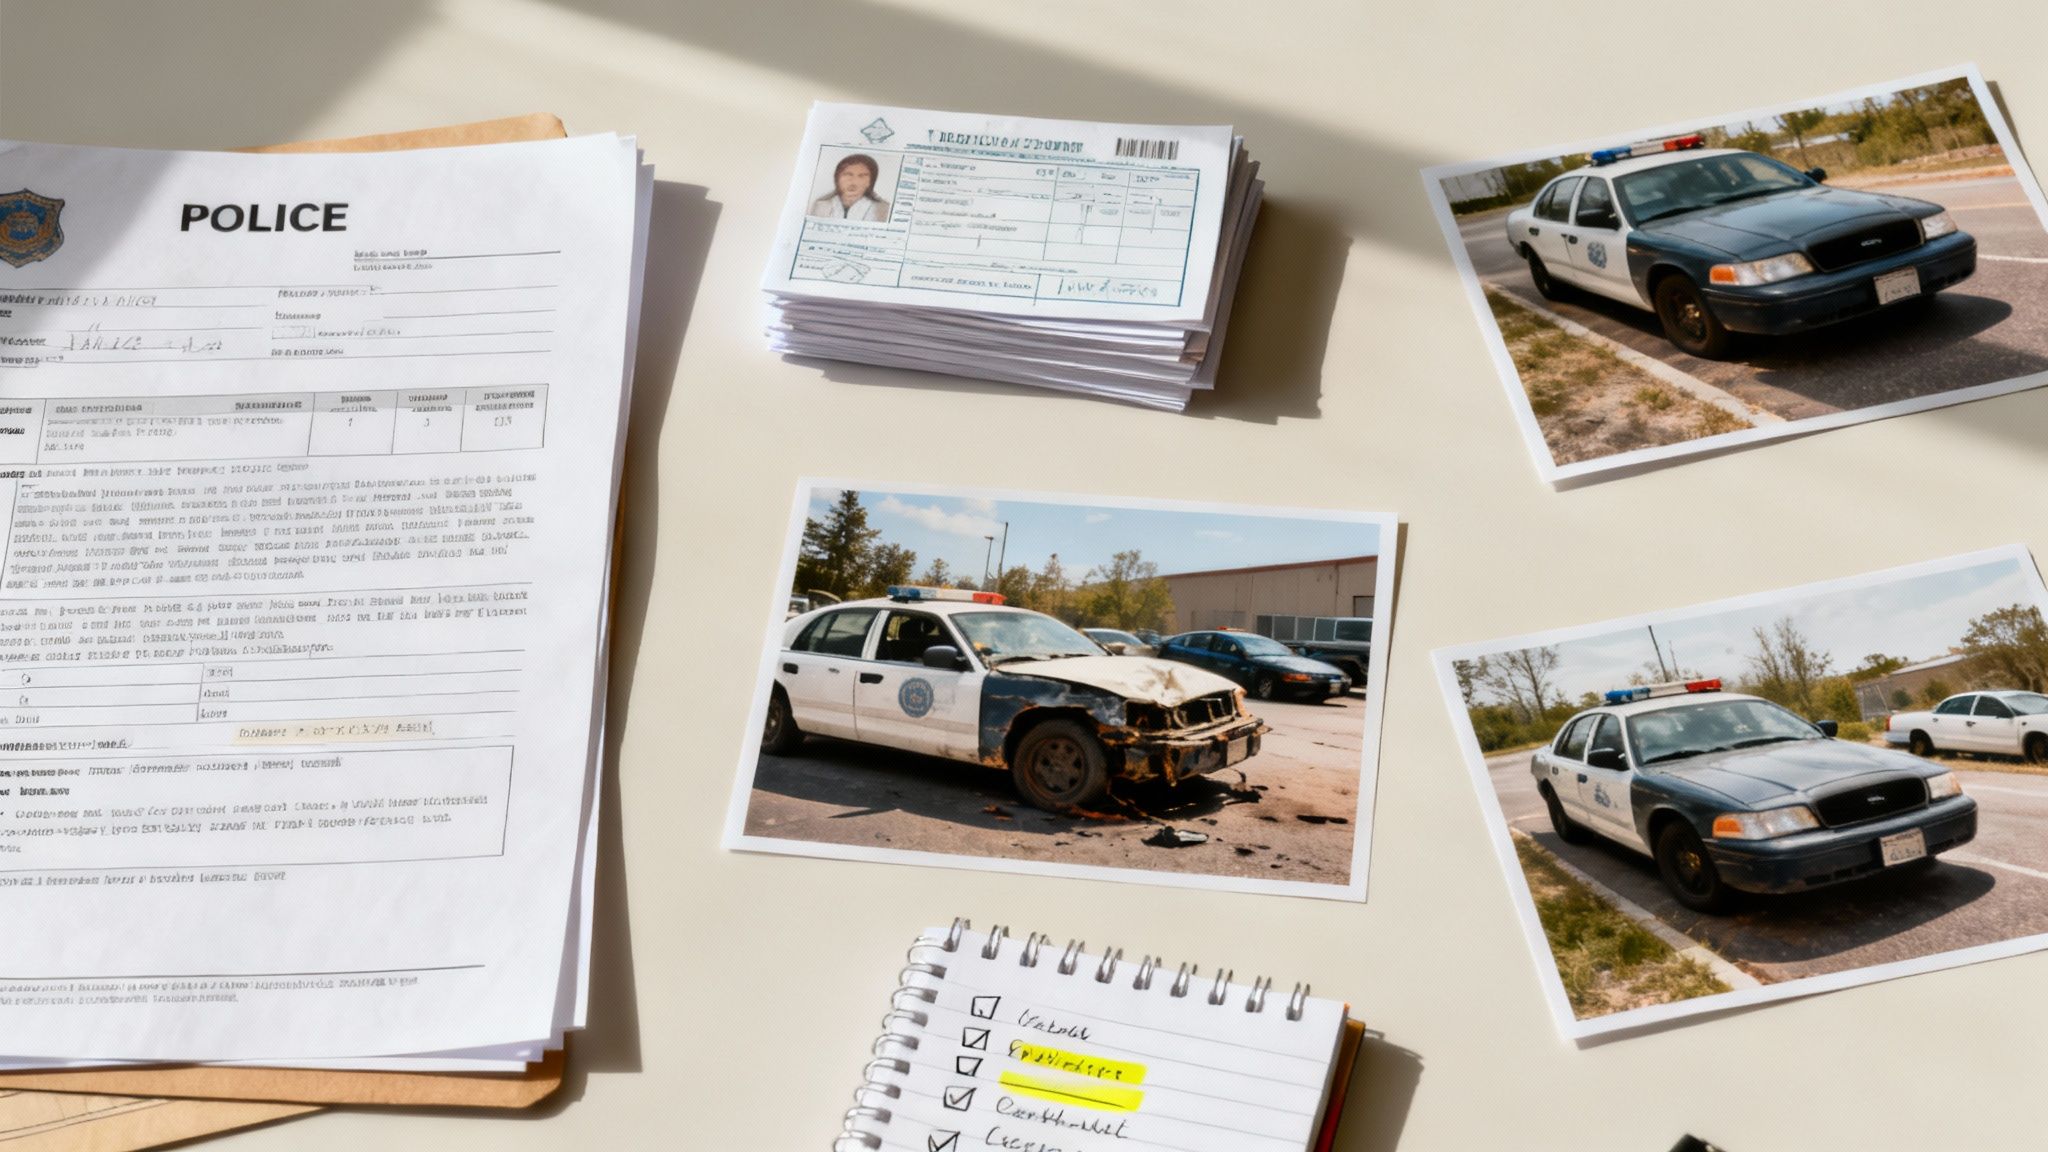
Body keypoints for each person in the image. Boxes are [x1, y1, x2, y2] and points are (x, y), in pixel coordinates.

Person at [810, 154, 891, 223]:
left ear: (870, 181)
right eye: (848, 174)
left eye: (862, 176)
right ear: (837, 178)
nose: (853, 181)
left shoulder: (882, 208)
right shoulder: (821, 205)